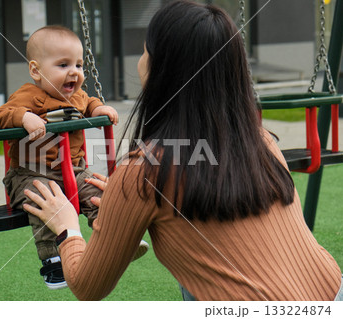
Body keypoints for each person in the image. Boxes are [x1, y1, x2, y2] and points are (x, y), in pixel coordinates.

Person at [23, 1, 342, 301]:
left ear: (161, 70)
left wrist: (66, 227)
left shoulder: (143, 174)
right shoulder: (262, 141)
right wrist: (125, 203)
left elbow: (87, 286)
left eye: (145, 51)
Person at [0, 25, 148, 290]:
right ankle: (53, 261)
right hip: (31, 174)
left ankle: (116, 239)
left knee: (98, 190)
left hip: (73, 171)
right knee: (45, 201)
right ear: (36, 71)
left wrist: (101, 108)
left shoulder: (78, 96)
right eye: (63, 65)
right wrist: (24, 117)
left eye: (78, 64)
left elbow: (91, 102)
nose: (74, 71)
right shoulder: (28, 96)